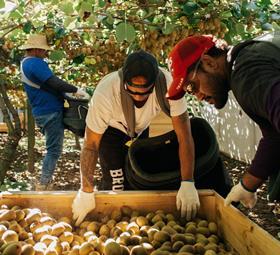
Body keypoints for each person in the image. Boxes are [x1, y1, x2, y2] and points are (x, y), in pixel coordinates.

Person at [72, 50, 200, 225]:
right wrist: (85, 190)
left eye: (144, 92)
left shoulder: (170, 85)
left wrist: (188, 181)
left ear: (154, 83)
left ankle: (136, 227)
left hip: (140, 130)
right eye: (133, 92)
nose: (139, 98)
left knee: (137, 178)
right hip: (112, 130)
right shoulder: (106, 92)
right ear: (124, 82)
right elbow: (91, 144)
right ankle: (112, 224)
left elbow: (184, 136)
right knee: (116, 184)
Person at [166, 33, 280, 209]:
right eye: (190, 91)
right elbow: (274, 135)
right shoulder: (248, 58)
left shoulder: (247, 74)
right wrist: (247, 185)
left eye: (192, 86)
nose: (198, 96)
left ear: (209, 62)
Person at [19, 34, 89, 191]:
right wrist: (75, 90)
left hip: (44, 111)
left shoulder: (26, 64)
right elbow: (53, 82)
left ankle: (44, 181)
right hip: (49, 112)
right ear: (36, 50)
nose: (45, 54)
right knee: (54, 150)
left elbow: (49, 86)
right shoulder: (34, 63)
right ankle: (44, 183)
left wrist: (68, 95)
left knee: (53, 147)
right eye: (44, 51)